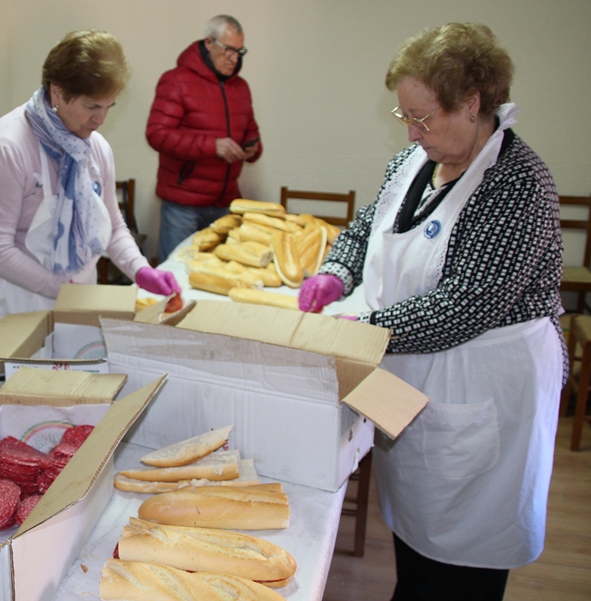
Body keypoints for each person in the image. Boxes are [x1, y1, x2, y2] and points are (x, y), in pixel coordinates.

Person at [297, 23, 563, 601]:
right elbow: (369, 226)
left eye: (425, 118)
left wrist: (362, 329)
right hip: (417, 379)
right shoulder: (413, 162)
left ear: (472, 104)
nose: (414, 132)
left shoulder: (516, 185)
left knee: (463, 564)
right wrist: (335, 272)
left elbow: (466, 305)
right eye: (406, 118)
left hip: (484, 388)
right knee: (417, 546)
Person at [0, 30, 179, 326]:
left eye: (109, 106)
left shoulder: (95, 148)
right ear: (57, 92)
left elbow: (113, 224)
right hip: (19, 299)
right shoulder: (5, 145)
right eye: (93, 106)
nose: (101, 119)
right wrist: (62, 290)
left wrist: (140, 269)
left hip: (79, 293)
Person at [147, 14, 262, 263]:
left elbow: (251, 131)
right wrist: (212, 146)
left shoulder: (240, 87)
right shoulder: (175, 80)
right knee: (174, 279)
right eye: (228, 50)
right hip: (183, 205)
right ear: (209, 43)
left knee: (215, 278)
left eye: (239, 51)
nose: (234, 58)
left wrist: (252, 147)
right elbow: (157, 134)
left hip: (225, 202)